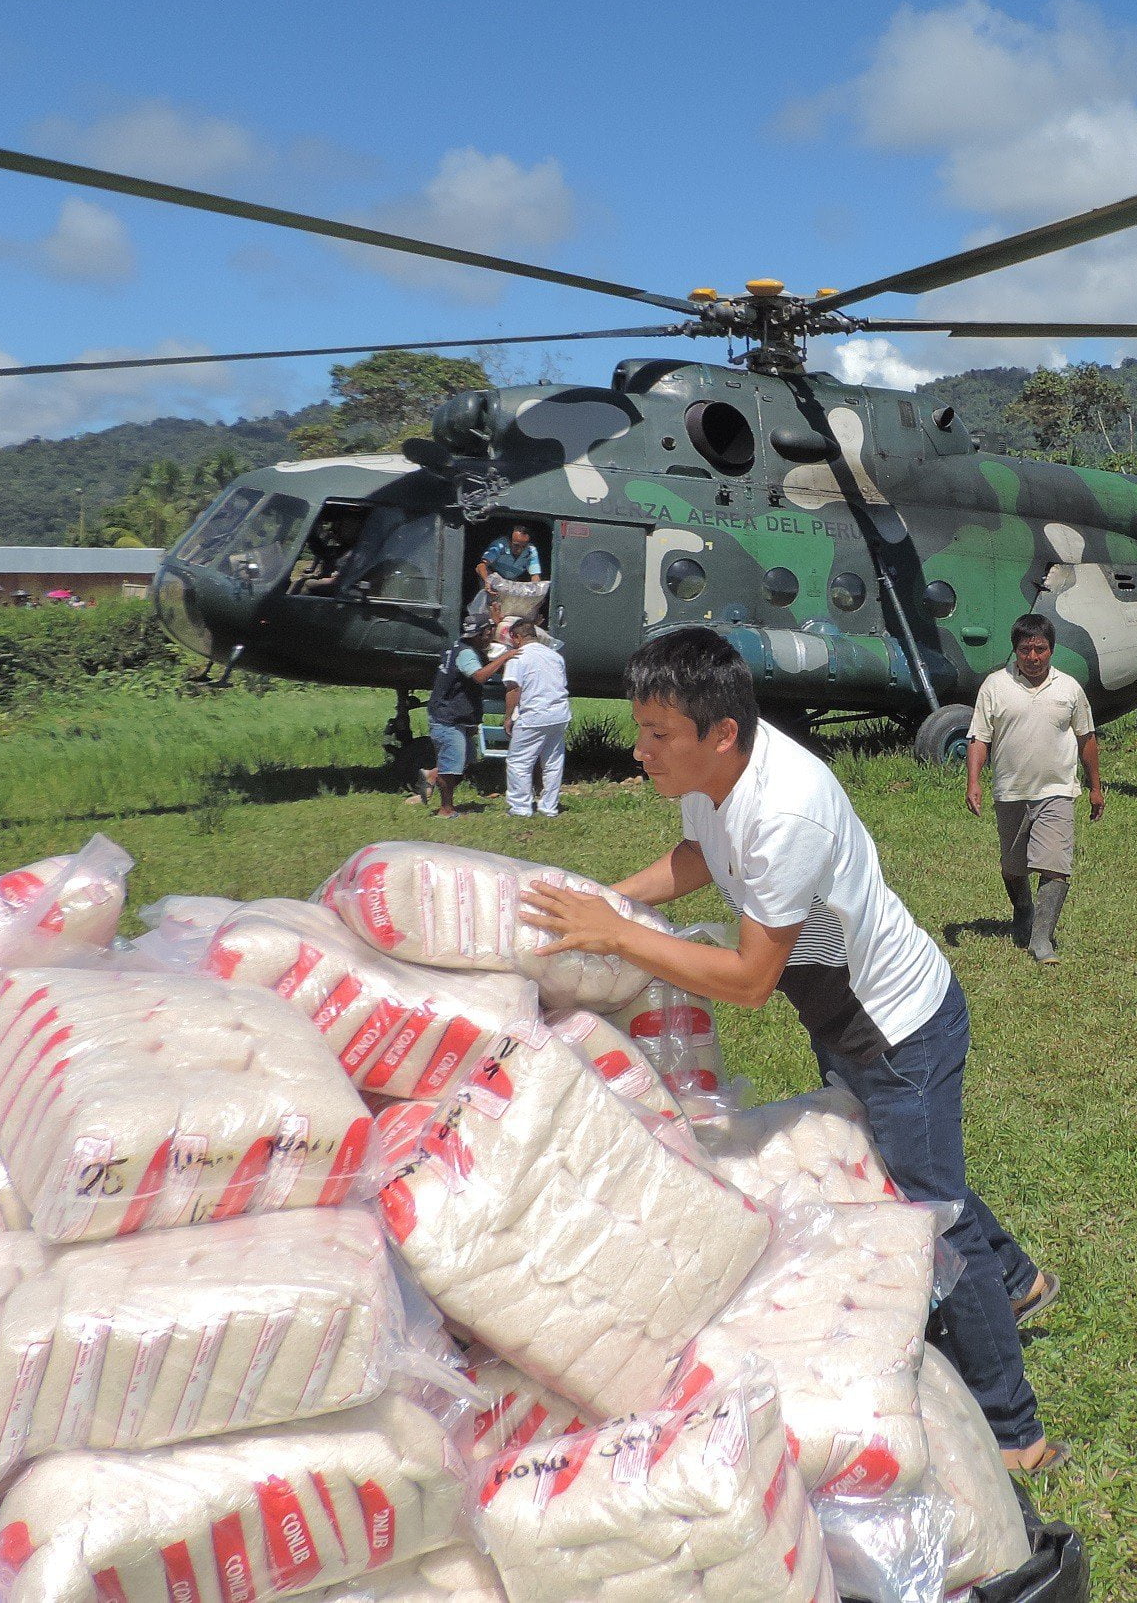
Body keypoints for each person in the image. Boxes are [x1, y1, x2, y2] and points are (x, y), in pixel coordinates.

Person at [515, 627, 1065, 1473]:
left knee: (929, 1220)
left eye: (658, 735)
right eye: (641, 728)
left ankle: (1014, 1428)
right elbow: (700, 856)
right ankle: (1022, 1278)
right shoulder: (718, 782)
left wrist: (617, 938)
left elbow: (746, 979)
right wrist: (604, 901)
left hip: (897, 1029)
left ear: (720, 733)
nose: (640, 749)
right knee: (911, 1168)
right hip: (844, 1019)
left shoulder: (785, 809)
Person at [965, 614, 1102, 964]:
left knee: (1055, 865)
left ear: (1051, 650)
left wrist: (1095, 787)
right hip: (1011, 791)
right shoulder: (995, 686)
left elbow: (1086, 738)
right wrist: (974, 782)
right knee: (1013, 867)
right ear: (1015, 651)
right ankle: (1023, 907)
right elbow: (979, 737)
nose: (1033, 657)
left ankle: (1042, 940)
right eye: (1025, 650)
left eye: (1040, 649)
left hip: (1056, 790)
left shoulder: (1068, 688)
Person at [420, 620, 510, 816]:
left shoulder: (458, 646)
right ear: (478, 635)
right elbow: (479, 676)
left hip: (456, 715)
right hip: (448, 717)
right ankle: (446, 810)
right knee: (451, 767)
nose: (491, 636)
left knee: (465, 759)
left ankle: (432, 775)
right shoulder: (467, 653)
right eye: (488, 632)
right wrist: (505, 657)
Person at [499, 618, 572, 818]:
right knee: (553, 762)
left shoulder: (518, 657)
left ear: (516, 637)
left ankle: (520, 807)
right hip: (559, 714)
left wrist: (508, 717)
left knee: (519, 762)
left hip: (533, 715)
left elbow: (514, 689)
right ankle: (549, 806)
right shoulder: (554, 656)